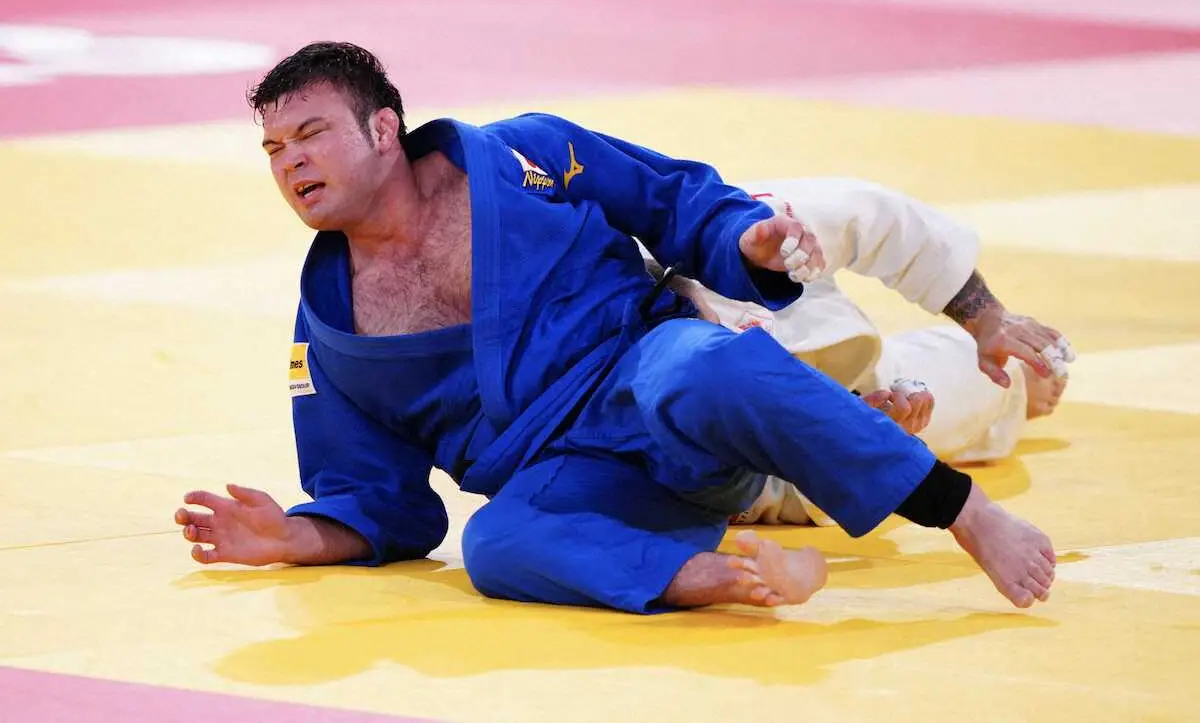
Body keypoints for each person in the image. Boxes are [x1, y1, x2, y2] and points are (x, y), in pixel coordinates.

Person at [175, 42, 1059, 614]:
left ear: (382, 129)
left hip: (654, 374)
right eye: (274, 149)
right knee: (496, 545)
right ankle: (718, 577)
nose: (291, 162)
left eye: (310, 134)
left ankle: (966, 510)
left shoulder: (522, 155)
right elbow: (377, 498)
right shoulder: (330, 331)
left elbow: (672, 199)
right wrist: (296, 536)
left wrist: (744, 240)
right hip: (574, 475)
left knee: (708, 367)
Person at [648, 180, 1073, 526]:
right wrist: (850, 448)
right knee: (967, 395)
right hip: (788, 434)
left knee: (983, 371)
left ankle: (1008, 381)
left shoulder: (728, 230)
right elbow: (748, 493)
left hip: (835, 343)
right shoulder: (638, 420)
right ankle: (1013, 397)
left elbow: (873, 216)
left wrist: (986, 316)